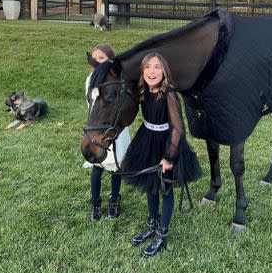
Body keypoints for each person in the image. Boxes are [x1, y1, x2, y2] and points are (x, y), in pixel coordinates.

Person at [121, 52, 201, 258]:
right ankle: (152, 223)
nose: (152, 71)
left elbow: (177, 128)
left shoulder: (169, 94)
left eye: (157, 67)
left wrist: (169, 157)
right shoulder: (143, 91)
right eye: (147, 67)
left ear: (164, 71)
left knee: (165, 188)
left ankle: (162, 234)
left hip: (166, 143)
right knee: (150, 185)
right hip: (146, 139)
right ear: (142, 72)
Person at [83, 44, 131, 221]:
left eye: (102, 58)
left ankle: (114, 200)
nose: (98, 61)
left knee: (115, 167)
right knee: (97, 168)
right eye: (95, 59)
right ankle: (95, 203)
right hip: (99, 128)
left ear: (111, 59)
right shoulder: (91, 79)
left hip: (114, 128)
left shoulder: (118, 79)